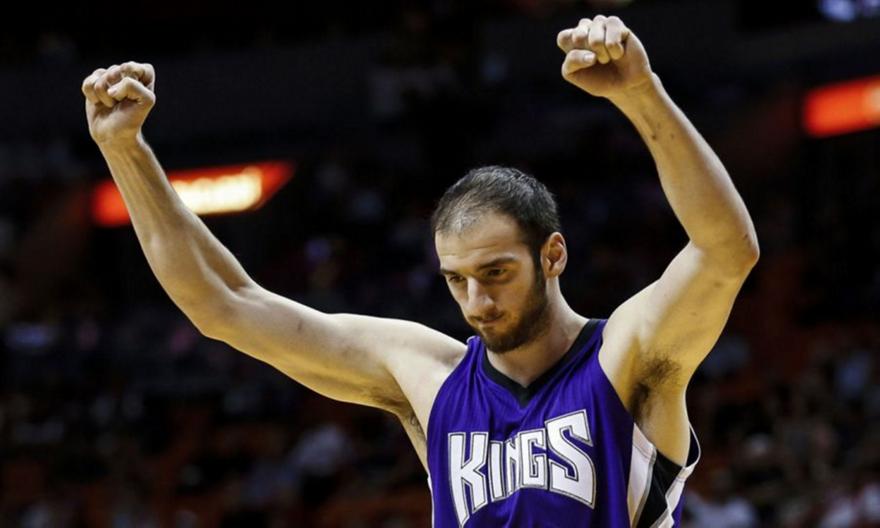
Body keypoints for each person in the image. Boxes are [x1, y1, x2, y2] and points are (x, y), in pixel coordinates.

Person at [81, 14, 758, 527]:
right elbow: (224, 303)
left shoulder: (625, 356)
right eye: (456, 279)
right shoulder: (429, 377)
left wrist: (641, 93)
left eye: (496, 273)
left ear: (553, 254)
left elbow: (725, 250)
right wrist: (125, 151)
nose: (476, 300)